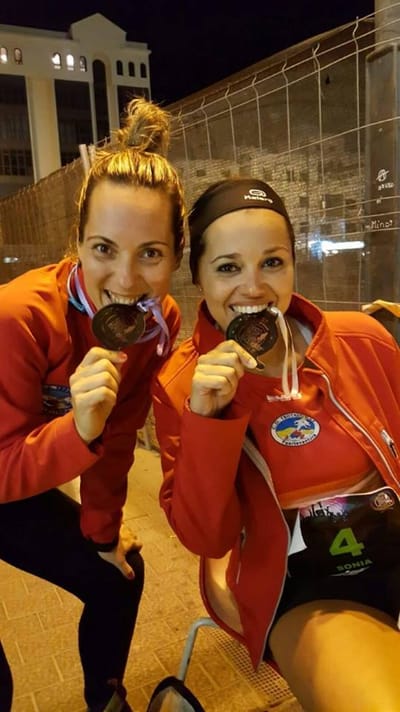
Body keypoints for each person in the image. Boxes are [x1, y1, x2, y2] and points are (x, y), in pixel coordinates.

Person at [152, 177, 400, 712]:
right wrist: (208, 421)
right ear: (196, 274)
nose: (254, 288)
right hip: (307, 587)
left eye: (272, 262)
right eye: (227, 267)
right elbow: (205, 536)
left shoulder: (364, 338)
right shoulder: (181, 384)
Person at [0, 97, 185, 712]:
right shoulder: (20, 317)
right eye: (104, 249)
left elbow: (125, 426)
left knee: (118, 576)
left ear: (175, 258)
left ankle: (106, 702)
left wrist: (101, 529)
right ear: (76, 240)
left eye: (151, 254)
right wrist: (77, 431)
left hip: (27, 472)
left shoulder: (159, 324)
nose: (127, 281)